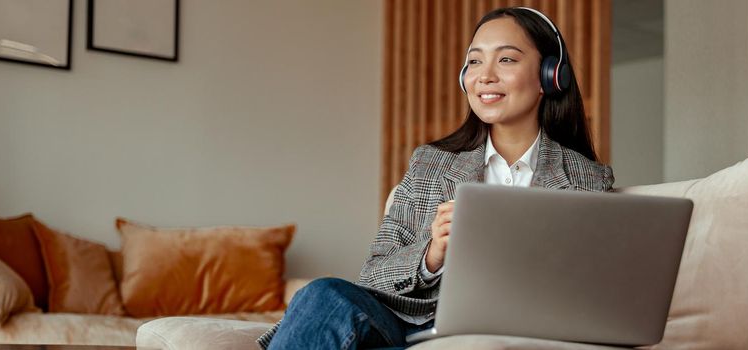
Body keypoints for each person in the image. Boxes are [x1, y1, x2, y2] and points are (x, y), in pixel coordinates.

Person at [258, 7, 614, 350]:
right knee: (323, 294)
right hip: (412, 326)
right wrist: (433, 253)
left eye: (506, 59)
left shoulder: (586, 179)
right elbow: (372, 276)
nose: (484, 75)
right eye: (474, 61)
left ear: (549, 76)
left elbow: (595, 294)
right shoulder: (430, 164)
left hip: (513, 330)